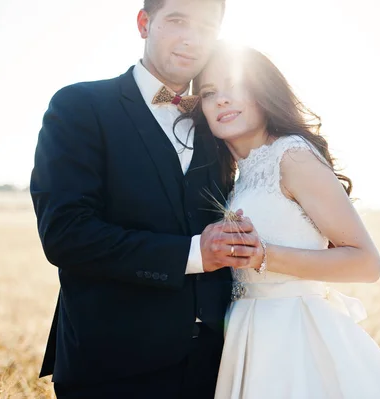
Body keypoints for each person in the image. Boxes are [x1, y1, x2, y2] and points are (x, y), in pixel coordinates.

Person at [29, 2, 261, 398]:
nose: (192, 38)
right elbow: (66, 233)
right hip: (111, 367)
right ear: (143, 24)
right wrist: (191, 254)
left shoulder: (218, 119)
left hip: (215, 367)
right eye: (177, 21)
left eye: (207, 27)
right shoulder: (80, 106)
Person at [186, 42, 380, 398]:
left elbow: (366, 263)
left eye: (236, 86)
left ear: (264, 92)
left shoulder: (292, 156)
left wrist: (264, 255)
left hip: (297, 336)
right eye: (209, 93)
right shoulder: (239, 175)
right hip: (248, 335)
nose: (222, 100)